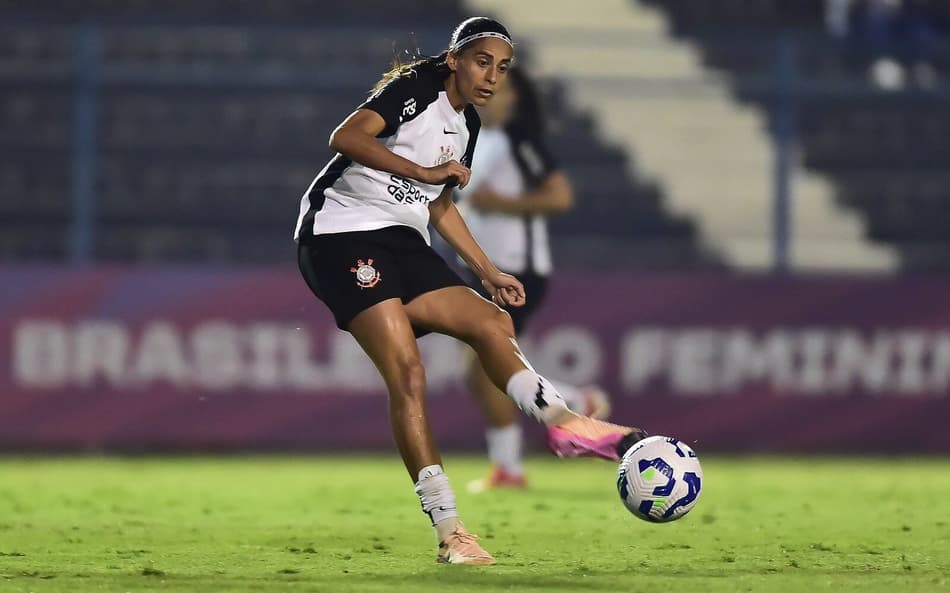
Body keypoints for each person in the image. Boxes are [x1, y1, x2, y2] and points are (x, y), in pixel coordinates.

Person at [294, 16, 646, 566]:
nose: (492, 76)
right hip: (340, 232)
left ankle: (563, 424)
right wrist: (420, 170)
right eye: (482, 61)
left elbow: (440, 205)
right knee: (408, 372)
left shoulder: (469, 124)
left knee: (491, 322)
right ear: (455, 58)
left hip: (402, 237)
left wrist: (487, 271)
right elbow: (347, 137)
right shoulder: (416, 87)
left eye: (502, 68)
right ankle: (449, 530)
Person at [456, 66, 612, 493]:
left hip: (517, 271)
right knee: (483, 369)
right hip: (486, 271)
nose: (491, 91)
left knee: (487, 365)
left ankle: (512, 465)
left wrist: (500, 202)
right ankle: (576, 403)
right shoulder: (472, 140)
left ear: (515, 99)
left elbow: (559, 195)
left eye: (503, 89)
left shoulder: (520, 142)